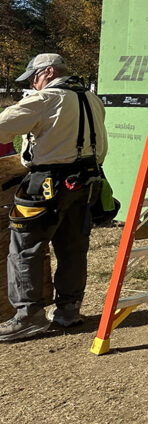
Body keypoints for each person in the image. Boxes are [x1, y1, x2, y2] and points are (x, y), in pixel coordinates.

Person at [0, 53, 107, 342]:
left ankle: (28, 316)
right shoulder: (91, 98)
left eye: (34, 78)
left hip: (47, 184)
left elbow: (2, 127)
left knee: (25, 248)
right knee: (72, 248)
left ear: (47, 72)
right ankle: (68, 310)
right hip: (87, 182)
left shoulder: (45, 99)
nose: (33, 85)